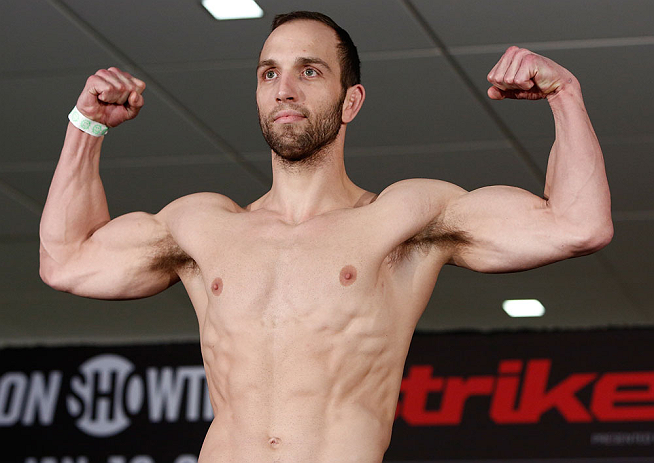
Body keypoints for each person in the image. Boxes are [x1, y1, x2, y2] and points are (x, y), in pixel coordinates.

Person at [39, 10, 612, 463]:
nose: (284, 89)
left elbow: (578, 225)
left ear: (350, 101)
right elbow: (66, 261)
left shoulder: (403, 219)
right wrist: (85, 127)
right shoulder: (202, 227)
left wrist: (565, 94)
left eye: (309, 71)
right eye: (270, 74)